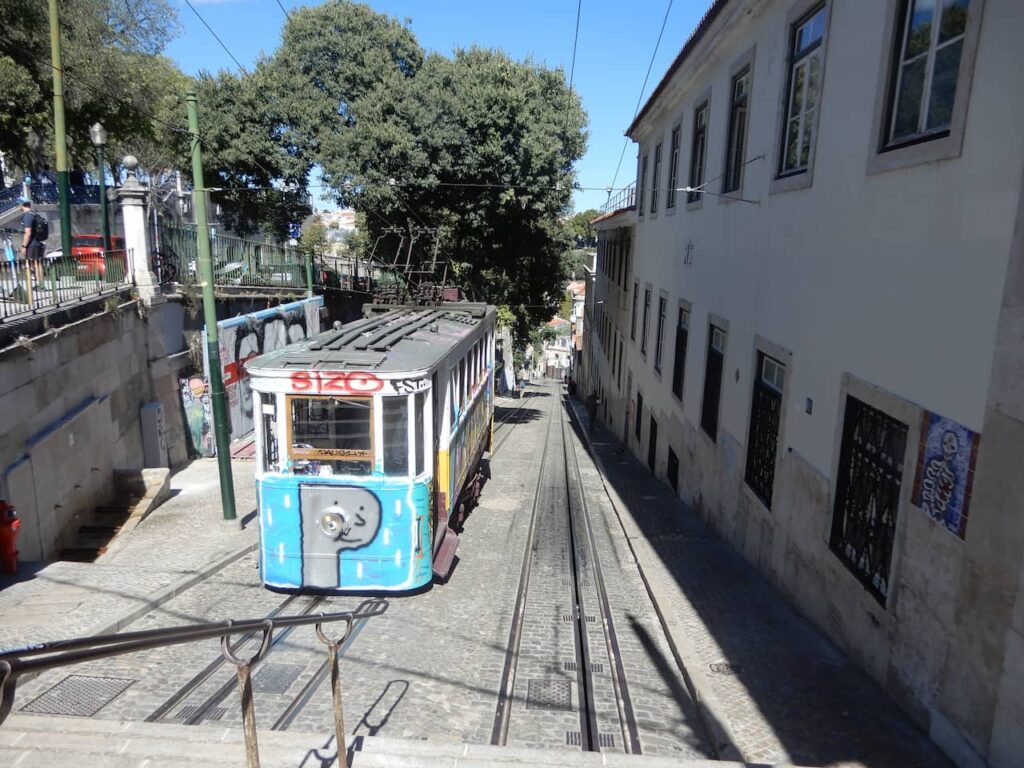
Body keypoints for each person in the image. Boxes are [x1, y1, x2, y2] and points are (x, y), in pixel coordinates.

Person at [18, 198, 45, 283]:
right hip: (37, 242)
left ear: (22, 205)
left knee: (30, 264)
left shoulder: (27, 216)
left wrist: (24, 246)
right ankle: (41, 284)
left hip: (31, 244)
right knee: (37, 263)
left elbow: (28, 233)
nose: (18, 206)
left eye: (19, 204)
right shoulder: (33, 214)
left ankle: (36, 285)